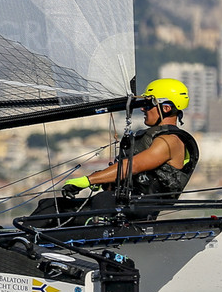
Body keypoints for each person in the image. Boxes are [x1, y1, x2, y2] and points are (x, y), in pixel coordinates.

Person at [34, 78, 199, 224]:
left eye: (148, 104)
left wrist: (88, 180)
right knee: (48, 205)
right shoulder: (158, 137)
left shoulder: (170, 141)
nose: (143, 109)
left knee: (96, 201)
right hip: (121, 204)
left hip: (135, 210)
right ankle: (17, 243)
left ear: (167, 108)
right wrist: (105, 180)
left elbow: (131, 166)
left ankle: (20, 248)